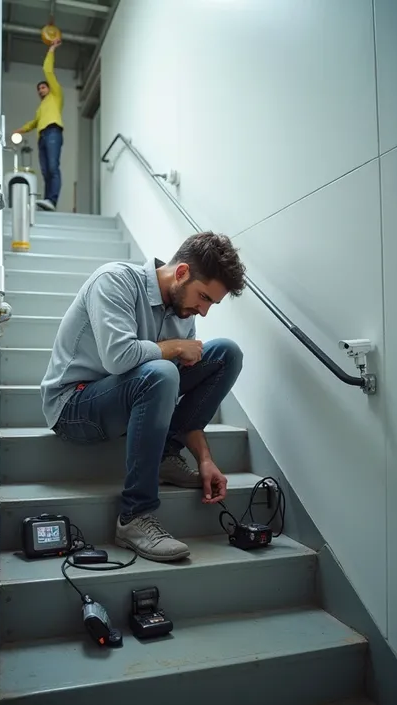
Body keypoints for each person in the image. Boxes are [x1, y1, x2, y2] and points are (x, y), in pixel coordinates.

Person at [40, 232, 246, 563]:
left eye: (211, 304)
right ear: (181, 273)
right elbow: (118, 358)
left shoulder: (184, 312)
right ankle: (134, 517)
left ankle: (165, 455)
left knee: (226, 354)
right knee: (162, 372)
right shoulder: (115, 280)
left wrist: (205, 458)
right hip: (73, 405)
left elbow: (172, 390)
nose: (203, 312)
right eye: (204, 297)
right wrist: (177, 347)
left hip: (129, 398)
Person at [14, 39, 63, 211]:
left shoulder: (55, 96)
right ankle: (48, 202)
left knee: (52, 167)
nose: (41, 90)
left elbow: (47, 70)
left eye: (43, 87)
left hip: (53, 132)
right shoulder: (41, 108)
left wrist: (51, 50)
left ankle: (52, 200)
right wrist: (19, 130)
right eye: (39, 89)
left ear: (49, 89)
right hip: (42, 136)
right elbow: (33, 123)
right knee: (45, 172)